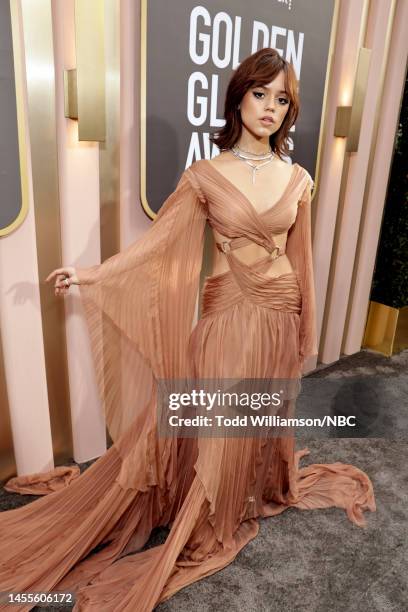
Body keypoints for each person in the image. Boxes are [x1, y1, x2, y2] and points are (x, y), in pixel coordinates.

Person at [0, 48, 375, 612]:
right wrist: (93, 274)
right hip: (226, 317)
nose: (270, 108)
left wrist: (305, 329)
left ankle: (242, 490)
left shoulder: (298, 179)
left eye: (282, 100)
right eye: (259, 94)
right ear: (238, 97)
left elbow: (304, 262)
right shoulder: (204, 175)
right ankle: (203, 510)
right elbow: (155, 251)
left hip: (279, 312)